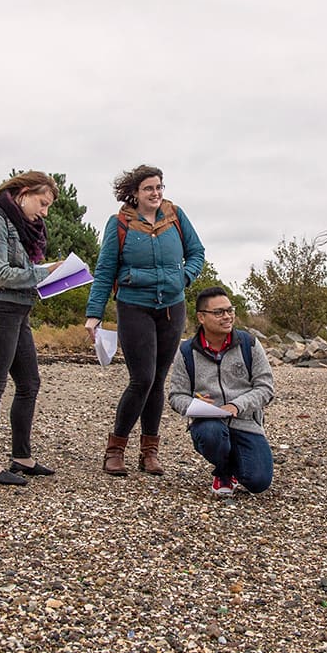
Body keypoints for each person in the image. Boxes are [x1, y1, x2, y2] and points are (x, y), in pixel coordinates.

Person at [85, 165, 205, 477]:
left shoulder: (175, 216)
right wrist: (94, 314)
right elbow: (105, 270)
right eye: (149, 188)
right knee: (142, 379)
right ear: (135, 193)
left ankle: (149, 453)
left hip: (171, 308)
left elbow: (197, 253)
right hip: (134, 307)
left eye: (159, 187)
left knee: (158, 381)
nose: (156, 193)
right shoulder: (120, 223)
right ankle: (115, 450)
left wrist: (184, 277)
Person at [0, 170, 61, 486]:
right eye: (42, 203)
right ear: (22, 192)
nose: (44, 212)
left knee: (29, 382)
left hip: (18, 310)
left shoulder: (20, 226)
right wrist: (43, 273)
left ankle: (21, 456)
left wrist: (52, 277)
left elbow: (19, 273)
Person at [168, 287, 274, 495]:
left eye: (229, 310)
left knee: (258, 482)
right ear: (201, 317)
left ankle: (236, 462)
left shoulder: (249, 344)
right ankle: (224, 471)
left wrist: (237, 405)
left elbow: (266, 388)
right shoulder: (186, 351)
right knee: (211, 433)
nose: (227, 317)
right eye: (218, 312)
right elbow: (175, 395)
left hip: (246, 423)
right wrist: (193, 405)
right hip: (209, 424)